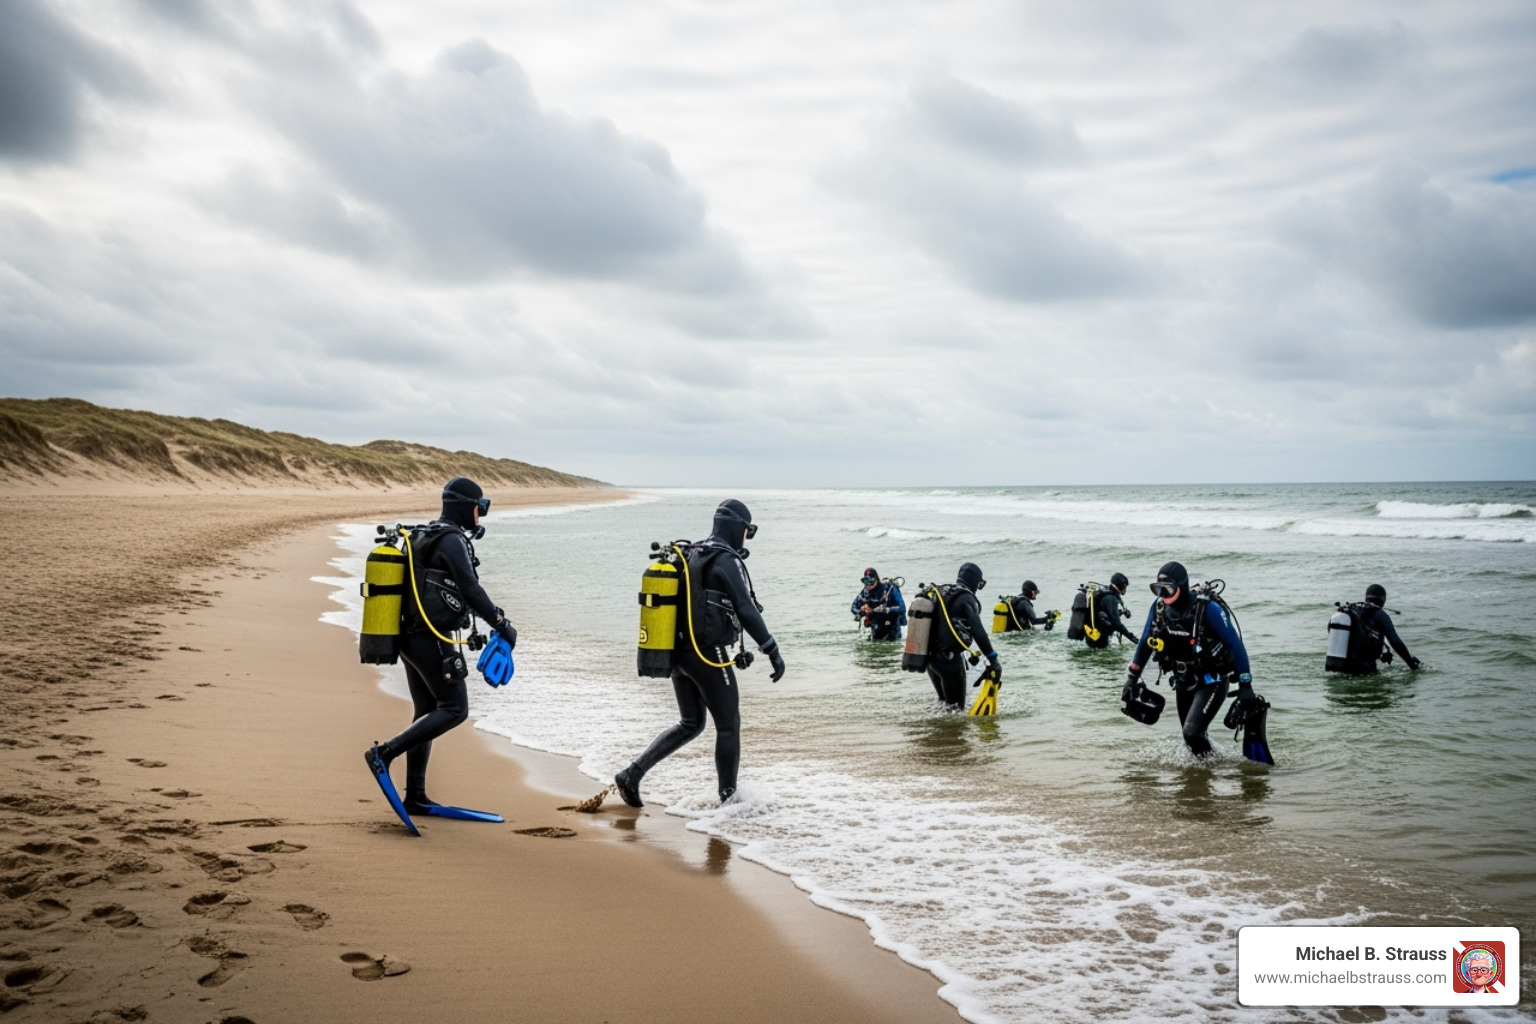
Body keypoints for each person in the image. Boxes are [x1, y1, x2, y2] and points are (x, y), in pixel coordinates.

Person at [615, 499, 785, 808]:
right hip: (707, 654)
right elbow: (746, 609)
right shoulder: (725, 560)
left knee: (692, 723)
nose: (747, 538)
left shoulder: (693, 552)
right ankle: (728, 802)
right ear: (738, 528)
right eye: (748, 531)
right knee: (728, 725)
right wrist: (771, 648)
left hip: (677, 653)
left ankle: (632, 774)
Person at [364, 477, 519, 813]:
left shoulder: (423, 534)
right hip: (432, 639)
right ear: (468, 508)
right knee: (454, 709)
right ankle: (384, 753)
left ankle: (415, 796)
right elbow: (471, 590)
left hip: (408, 637)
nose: (481, 516)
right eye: (480, 509)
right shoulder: (451, 540)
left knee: (426, 712)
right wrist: (502, 625)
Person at [1123, 561, 1253, 758]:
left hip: (1213, 681)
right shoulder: (1159, 608)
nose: (1163, 595)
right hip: (1183, 680)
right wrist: (1132, 677)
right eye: (1158, 589)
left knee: (1191, 733)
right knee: (1191, 739)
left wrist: (1245, 685)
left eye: (1167, 589)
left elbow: (1235, 645)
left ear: (1182, 586)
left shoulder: (1207, 609)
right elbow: (1145, 642)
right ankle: (1203, 778)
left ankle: (1216, 767)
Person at [926, 562, 1001, 710]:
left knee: (943, 705)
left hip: (929, 658)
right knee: (956, 711)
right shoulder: (966, 598)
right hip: (949, 659)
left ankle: (937, 732)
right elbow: (978, 632)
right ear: (976, 582)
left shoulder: (942, 592)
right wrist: (993, 659)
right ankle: (952, 733)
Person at [1326, 584, 1421, 675]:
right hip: (1365, 668)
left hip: (1343, 667)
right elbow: (1395, 641)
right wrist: (1411, 664)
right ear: (1383, 600)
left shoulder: (1348, 611)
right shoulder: (1379, 613)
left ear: (1366, 597)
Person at [1084, 573, 1137, 649]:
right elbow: (1117, 624)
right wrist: (1133, 638)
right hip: (1098, 638)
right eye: (1125, 586)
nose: (1126, 589)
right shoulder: (1111, 598)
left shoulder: (1108, 591)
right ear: (1120, 586)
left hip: (1092, 633)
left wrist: (1123, 611)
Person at [851, 567, 906, 640]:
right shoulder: (865, 592)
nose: (868, 586)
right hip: (876, 626)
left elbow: (902, 609)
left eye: (871, 582)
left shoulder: (889, 589)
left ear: (876, 580)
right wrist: (861, 611)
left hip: (892, 627)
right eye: (866, 582)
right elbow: (853, 607)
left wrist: (887, 609)